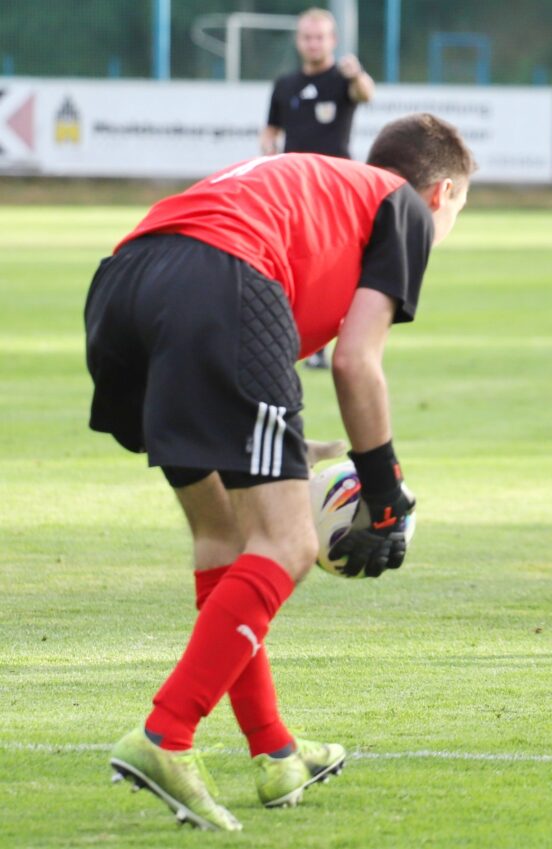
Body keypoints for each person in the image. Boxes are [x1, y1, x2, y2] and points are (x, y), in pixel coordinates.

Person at [87, 113, 473, 830]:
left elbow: (247, 359)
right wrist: (385, 493)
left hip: (124, 286)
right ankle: (165, 734)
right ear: (442, 193)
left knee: (225, 539)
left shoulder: (320, 189)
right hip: (221, 281)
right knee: (289, 543)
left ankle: (275, 750)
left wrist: (300, 450)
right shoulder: (403, 206)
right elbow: (355, 361)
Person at [260, 6, 377, 369]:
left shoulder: (343, 79)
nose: (313, 43)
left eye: (320, 37)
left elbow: (366, 94)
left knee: (335, 266)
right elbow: (271, 128)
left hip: (336, 187)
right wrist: (268, 148)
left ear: (333, 41)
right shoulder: (285, 84)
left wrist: (358, 74)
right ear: (299, 41)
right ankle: (297, 340)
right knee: (293, 264)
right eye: (308, 37)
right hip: (294, 188)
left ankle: (330, 341)